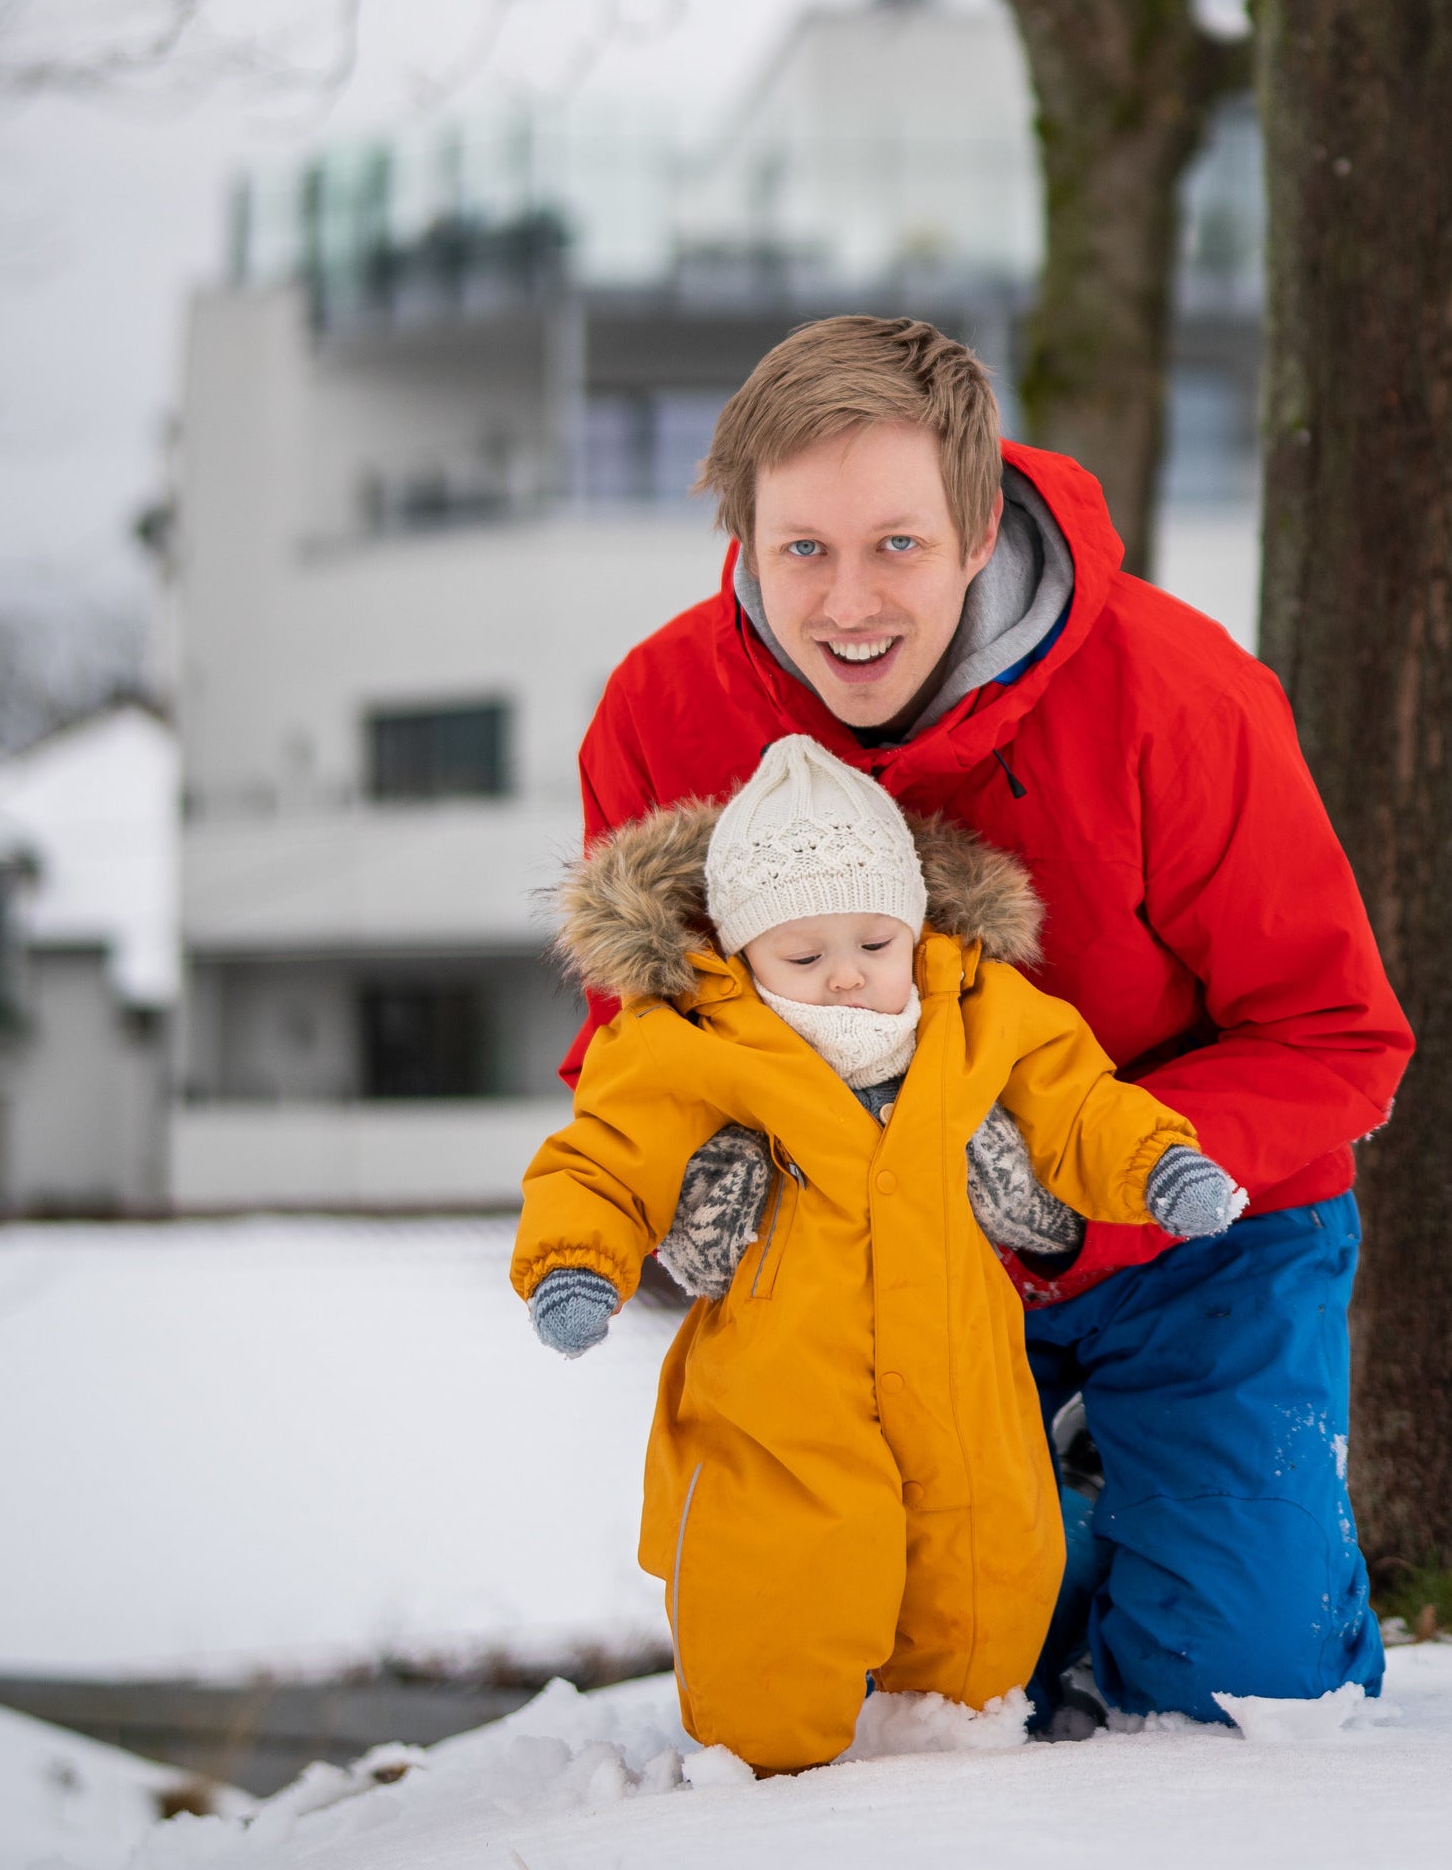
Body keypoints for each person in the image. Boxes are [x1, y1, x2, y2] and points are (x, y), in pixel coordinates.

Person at [560, 313, 1411, 1729]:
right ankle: (1065, 1526)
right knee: (907, 1688)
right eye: (803, 549)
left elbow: (1337, 1037)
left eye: (898, 544)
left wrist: (1081, 1198)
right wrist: (686, 1189)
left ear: (972, 525)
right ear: (743, 535)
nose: (847, 604)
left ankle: (1203, 1531)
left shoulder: (1178, 695)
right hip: (874, 1261)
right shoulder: (663, 711)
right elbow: (636, 1038)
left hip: (1198, 1228)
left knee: (1241, 1697)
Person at [513, 732, 1248, 1771]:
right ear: (742, 952)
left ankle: (955, 1742)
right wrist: (578, 1261)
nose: (850, 977)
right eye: (805, 957)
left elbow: (1077, 1104)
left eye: (875, 942)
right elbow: (603, 1157)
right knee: (775, 1582)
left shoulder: (981, 1010)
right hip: (782, 1389)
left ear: (914, 925)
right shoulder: (687, 1041)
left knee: (987, 1574)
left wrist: (1161, 1168)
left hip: (961, 1375)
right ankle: (765, 1764)